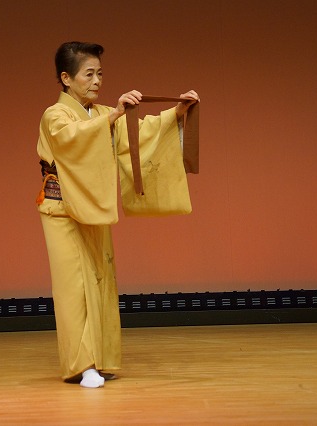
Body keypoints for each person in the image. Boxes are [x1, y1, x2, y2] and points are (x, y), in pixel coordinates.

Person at [36, 41, 199, 388]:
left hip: (92, 206)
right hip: (62, 211)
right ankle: (82, 365)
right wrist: (111, 117)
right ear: (66, 78)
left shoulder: (99, 112)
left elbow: (137, 133)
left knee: (101, 281)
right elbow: (70, 139)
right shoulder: (56, 115)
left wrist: (176, 112)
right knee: (75, 287)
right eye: (89, 74)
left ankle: (103, 359)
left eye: (100, 74)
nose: (97, 81)